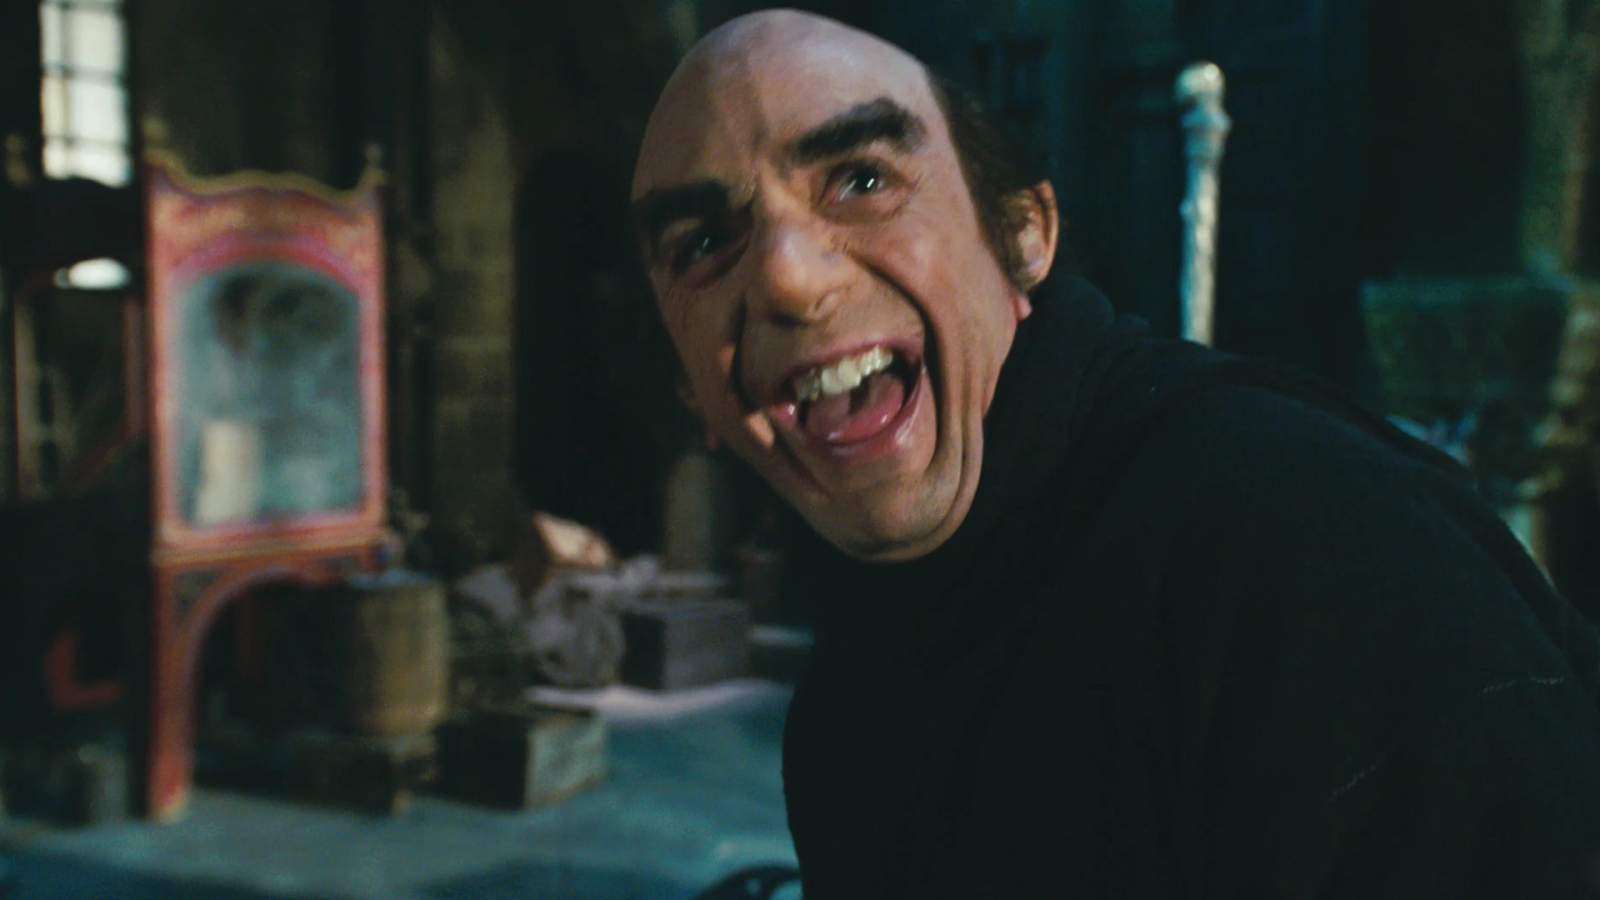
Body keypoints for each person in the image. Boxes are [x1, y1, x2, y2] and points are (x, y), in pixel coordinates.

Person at [631, 9, 1600, 897]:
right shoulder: (846, 710)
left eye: (862, 180)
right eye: (705, 242)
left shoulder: (1320, 552)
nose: (788, 280)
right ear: (690, 391)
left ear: (1021, 235)